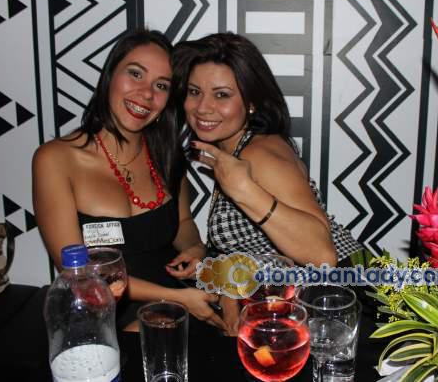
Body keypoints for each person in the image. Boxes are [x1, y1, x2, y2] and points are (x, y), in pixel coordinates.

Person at [32, 28, 226, 332]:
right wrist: (176, 300)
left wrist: (195, 248)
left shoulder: (166, 154)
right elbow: (78, 273)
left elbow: (183, 223)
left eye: (161, 85)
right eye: (135, 74)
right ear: (110, 76)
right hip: (105, 315)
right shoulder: (55, 159)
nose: (147, 93)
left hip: (183, 304)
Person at [168, 32, 363, 333]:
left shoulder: (258, 154)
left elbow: (322, 256)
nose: (202, 107)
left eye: (222, 95)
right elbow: (259, 247)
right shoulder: (234, 150)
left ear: (251, 103)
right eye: (194, 92)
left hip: (336, 302)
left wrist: (243, 190)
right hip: (300, 302)